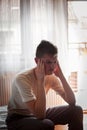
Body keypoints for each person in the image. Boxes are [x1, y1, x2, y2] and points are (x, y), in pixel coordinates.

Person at [6, 40, 83, 130]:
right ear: (37, 61)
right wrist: (40, 80)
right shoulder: (22, 79)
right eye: (48, 62)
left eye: (55, 62)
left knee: (76, 110)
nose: (53, 67)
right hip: (18, 118)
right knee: (47, 124)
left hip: (38, 113)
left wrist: (61, 75)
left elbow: (72, 101)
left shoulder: (51, 77)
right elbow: (40, 115)